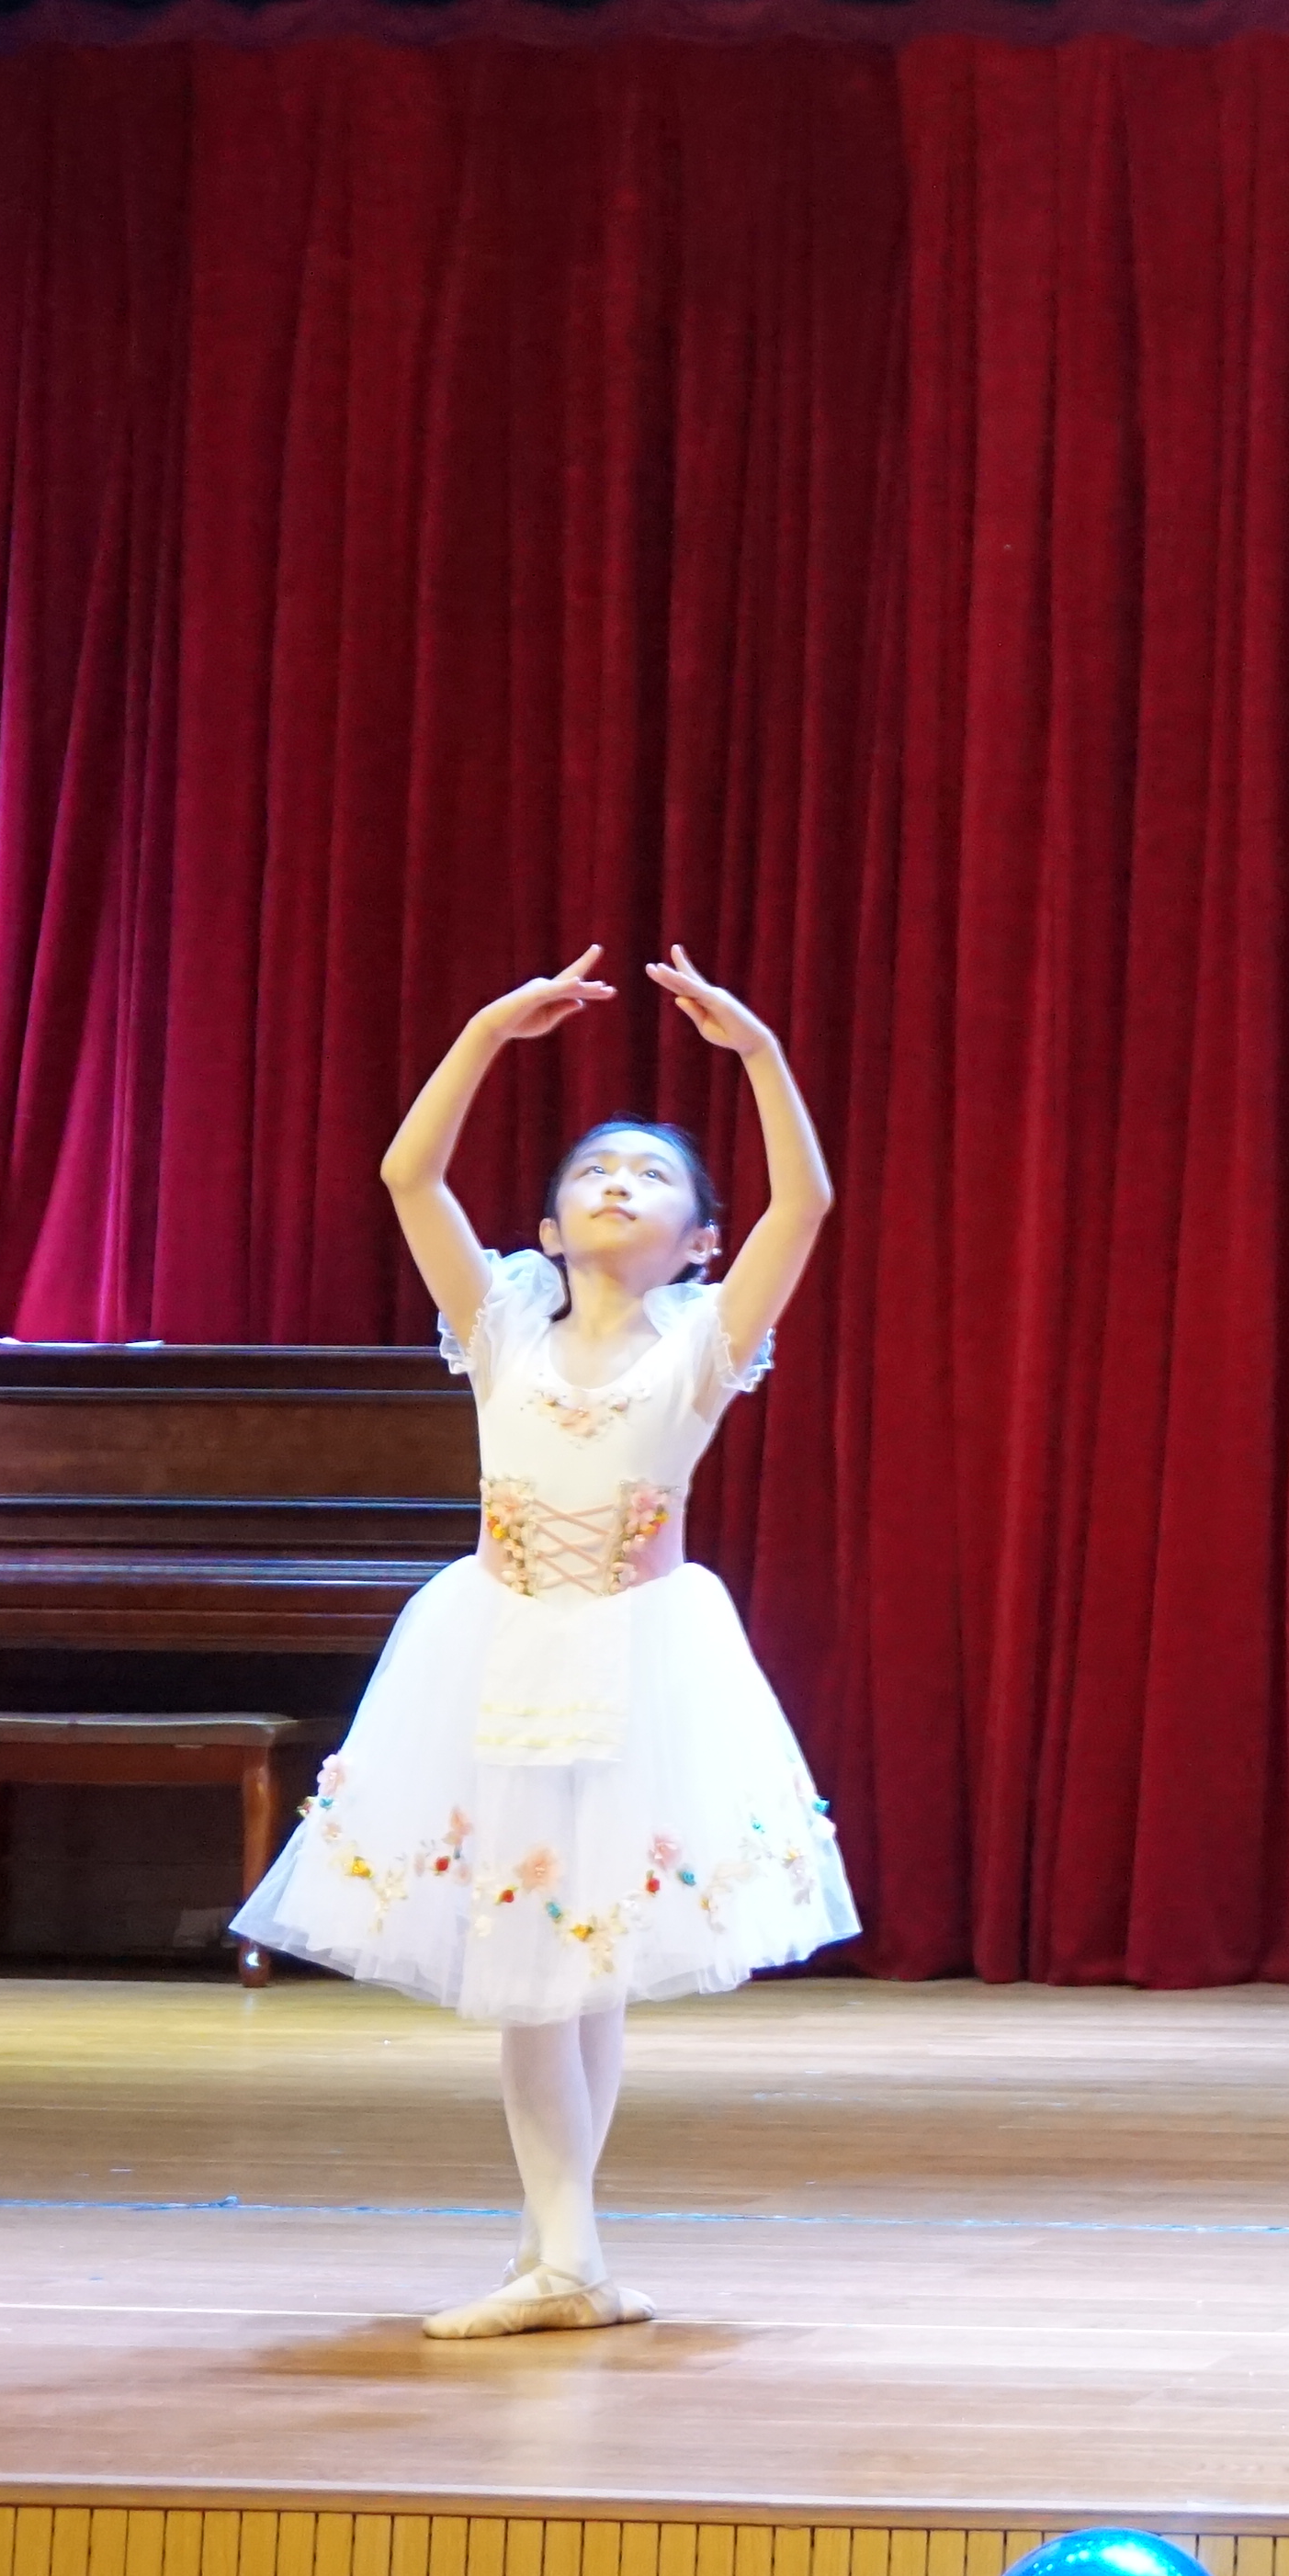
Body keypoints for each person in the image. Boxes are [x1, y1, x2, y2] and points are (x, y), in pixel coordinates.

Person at [233, 944, 858, 2338]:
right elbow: (409, 1176)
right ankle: (562, 2253)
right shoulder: (503, 1324)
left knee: (581, 1964)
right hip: (500, 1646)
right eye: (592, 1172)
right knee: (537, 1961)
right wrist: (482, 1034)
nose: (616, 1183)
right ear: (547, 1229)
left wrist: (760, 1056)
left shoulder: (701, 1342)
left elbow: (806, 1201)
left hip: (638, 1654)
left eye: (651, 1175)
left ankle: (565, 2258)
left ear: (701, 1241)